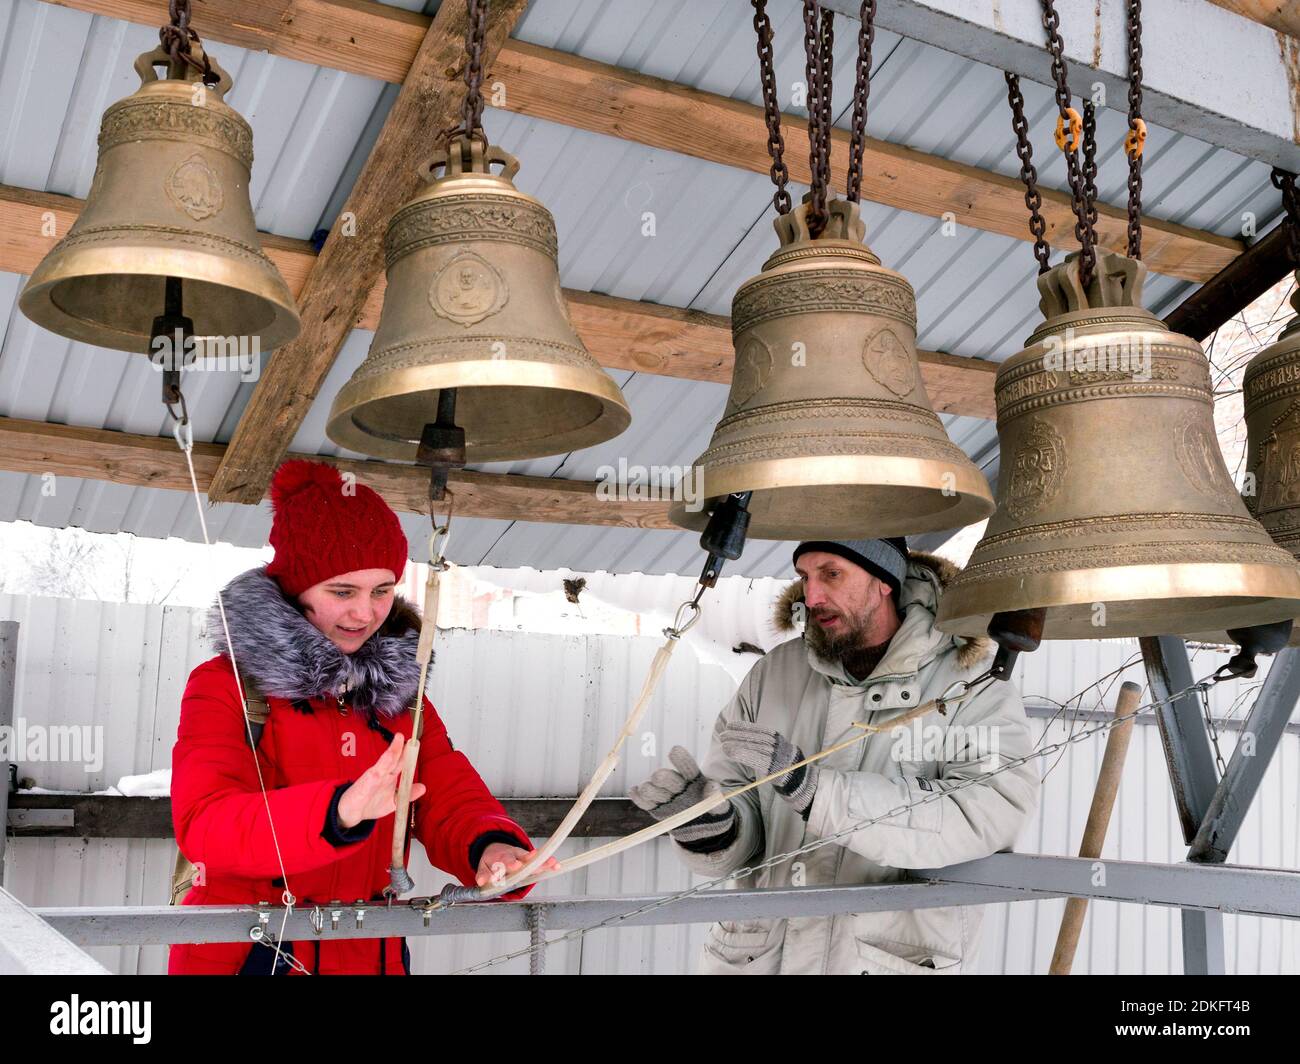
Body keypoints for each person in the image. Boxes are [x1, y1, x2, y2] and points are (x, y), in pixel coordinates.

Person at [168, 459, 555, 975]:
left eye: (382, 590)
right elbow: (207, 825)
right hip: (251, 954)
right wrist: (336, 812)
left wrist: (492, 847)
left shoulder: (401, 695)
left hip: (369, 952)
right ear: (294, 589)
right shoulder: (226, 686)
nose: (366, 614)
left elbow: (444, 791)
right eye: (342, 591)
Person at [630, 538, 1039, 975]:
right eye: (805, 577)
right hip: (758, 960)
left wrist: (820, 796)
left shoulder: (969, 683)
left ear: (883, 581)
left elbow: (988, 812)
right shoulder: (775, 674)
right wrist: (713, 828)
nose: (812, 596)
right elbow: (741, 809)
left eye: (831, 574)